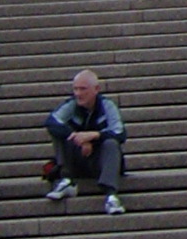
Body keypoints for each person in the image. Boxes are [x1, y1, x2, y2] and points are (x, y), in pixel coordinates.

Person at [44, 70, 127, 213]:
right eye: (75, 89)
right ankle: (67, 180)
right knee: (60, 132)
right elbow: (51, 122)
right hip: (78, 159)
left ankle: (111, 196)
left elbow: (120, 133)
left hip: (100, 161)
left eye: (83, 89)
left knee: (111, 143)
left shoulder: (107, 105)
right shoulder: (72, 104)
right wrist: (78, 138)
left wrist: (94, 135)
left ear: (96, 89)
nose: (78, 93)